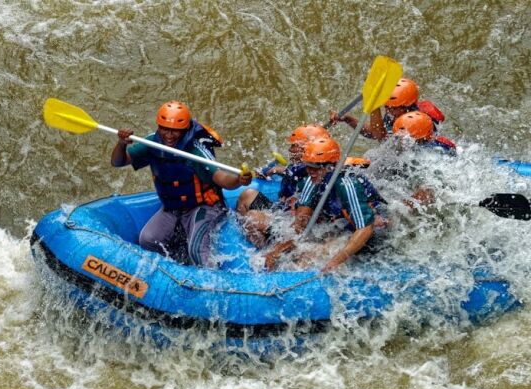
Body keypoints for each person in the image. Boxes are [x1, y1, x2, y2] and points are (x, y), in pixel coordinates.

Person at [111, 100, 252, 266]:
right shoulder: (152, 143)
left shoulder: (196, 150)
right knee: (147, 240)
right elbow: (118, 162)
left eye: (175, 131)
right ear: (158, 126)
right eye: (165, 129)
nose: (169, 135)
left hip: (204, 207)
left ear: (184, 129)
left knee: (196, 250)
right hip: (173, 208)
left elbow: (222, 179)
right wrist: (121, 143)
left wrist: (239, 179)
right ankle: (178, 268)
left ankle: (209, 282)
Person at [263, 137, 387, 273]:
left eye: (315, 168)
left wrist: (334, 262)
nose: (310, 172)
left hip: (371, 230)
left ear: (331, 167)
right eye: (307, 166)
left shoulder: (347, 184)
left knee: (307, 258)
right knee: (298, 253)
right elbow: (300, 224)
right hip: (341, 224)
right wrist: (277, 251)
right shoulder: (313, 180)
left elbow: (365, 229)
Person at [331, 77, 445, 141]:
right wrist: (348, 119)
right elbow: (374, 132)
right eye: (386, 106)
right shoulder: (395, 113)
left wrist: (374, 106)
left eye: (393, 108)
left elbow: (382, 139)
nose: (388, 111)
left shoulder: (415, 121)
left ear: (407, 107)